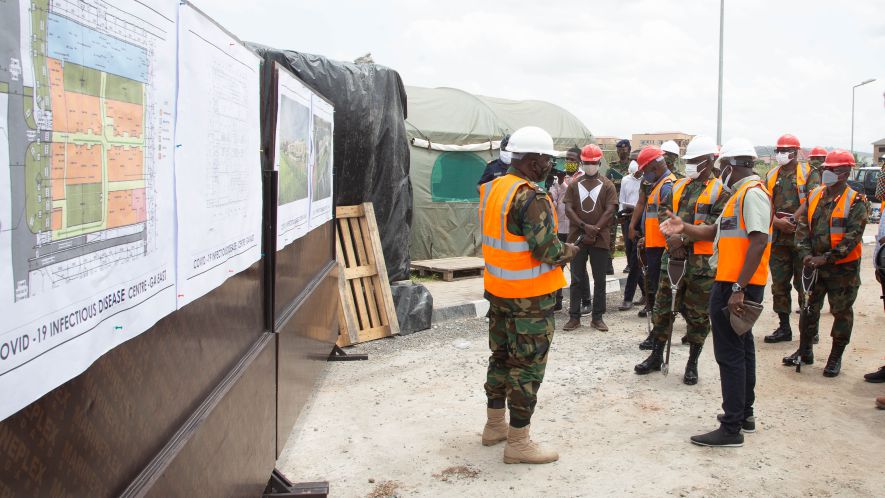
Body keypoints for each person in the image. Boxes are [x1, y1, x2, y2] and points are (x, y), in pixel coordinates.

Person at [660, 137, 772, 447]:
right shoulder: (738, 196)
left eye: (723, 166)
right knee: (741, 349)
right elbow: (712, 232)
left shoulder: (752, 195)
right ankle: (744, 415)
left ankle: (731, 426)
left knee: (730, 355)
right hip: (730, 282)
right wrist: (684, 228)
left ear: (731, 166)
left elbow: (759, 241)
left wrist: (738, 287)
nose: (720, 171)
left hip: (737, 285)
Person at [479, 126, 577, 464]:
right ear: (533, 161)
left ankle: (494, 426)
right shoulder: (530, 196)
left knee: (501, 359)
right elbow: (546, 249)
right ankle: (518, 442)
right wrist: (570, 250)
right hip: (529, 301)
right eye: (547, 160)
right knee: (527, 368)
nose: (550, 166)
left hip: (499, 293)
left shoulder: (493, 188)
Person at [633, 136, 729, 385]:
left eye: (696, 161)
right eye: (689, 161)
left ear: (709, 161)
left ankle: (692, 362)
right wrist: (670, 241)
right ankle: (656, 355)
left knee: (697, 316)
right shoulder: (677, 186)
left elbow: (714, 228)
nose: (690, 165)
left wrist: (682, 241)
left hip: (701, 265)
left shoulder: (721, 191)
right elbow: (662, 217)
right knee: (663, 309)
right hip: (671, 260)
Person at [784, 150, 868, 377]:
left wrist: (826, 258)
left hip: (842, 269)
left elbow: (853, 237)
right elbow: (802, 228)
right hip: (813, 266)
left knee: (841, 312)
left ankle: (835, 357)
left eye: (832, 169)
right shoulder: (815, 195)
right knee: (808, 308)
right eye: (825, 169)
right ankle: (805, 350)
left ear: (845, 172)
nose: (826, 173)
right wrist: (805, 254)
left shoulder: (856, 201)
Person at [763, 134, 819, 344]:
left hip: (802, 238)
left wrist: (794, 219)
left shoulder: (808, 173)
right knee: (779, 285)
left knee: (805, 285)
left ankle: (810, 329)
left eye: (785, 150)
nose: (780, 154)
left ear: (795, 153)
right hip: (778, 240)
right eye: (778, 150)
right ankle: (784, 327)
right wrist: (777, 222)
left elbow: (814, 199)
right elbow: (765, 203)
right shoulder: (771, 175)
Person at [563, 144, 618, 332]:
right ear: (582, 162)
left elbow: (610, 210)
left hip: (600, 239)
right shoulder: (573, 184)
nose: (590, 165)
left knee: (600, 280)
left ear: (599, 162)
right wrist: (584, 227)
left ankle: (597, 317)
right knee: (576, 278)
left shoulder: (608, 184)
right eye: (586, 162)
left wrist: (595, 229)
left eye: (593, 162)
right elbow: (568, 209)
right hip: (577, 238)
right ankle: (574, 317)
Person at [628, 146, 676, 345]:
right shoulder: (657, 184)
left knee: (659, 295)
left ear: (654, 166)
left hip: (661, 248)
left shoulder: (667, 186)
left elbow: (669, 223)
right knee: (655, 292)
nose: (644, 174)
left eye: (645, 169)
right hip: (653, 245)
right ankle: (657, 334)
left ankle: (657, 335)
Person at [550, 147, 589, 312]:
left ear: (580, 160)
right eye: (567, 159)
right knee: (556, 265)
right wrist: (555, 186)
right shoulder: (559, 176)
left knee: (577, 267)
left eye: (572, 159)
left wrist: (562, 184)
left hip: (574, 228)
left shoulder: (583, 178)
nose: (569, 162)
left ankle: (586, 301)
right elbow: (554, 197)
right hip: (559, 227)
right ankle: (557, 301)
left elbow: (573, 197)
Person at [618, 160, 646, 310]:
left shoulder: (647, 181)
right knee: (632, 259)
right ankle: (646, 293)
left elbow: (643, 204)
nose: (638, 175)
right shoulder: (625, 180)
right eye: (636, 173)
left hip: (642, 222)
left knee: (635, 261)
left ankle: (628, 298)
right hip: (629, 219)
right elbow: (622, 199)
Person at [606, 139, 632, 275]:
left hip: (627, 205)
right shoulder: (612, 168)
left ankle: (630, 263)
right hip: (614, 204)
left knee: (628, 234)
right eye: (619, 150)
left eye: (624, 149)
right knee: (610, 234)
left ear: (629, 150)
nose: (621, 152)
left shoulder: (634, 167)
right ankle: (609, 264)